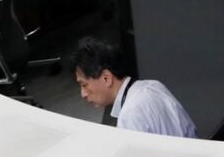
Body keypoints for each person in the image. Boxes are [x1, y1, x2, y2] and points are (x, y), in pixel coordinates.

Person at [68, 36, 198, 138]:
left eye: (84, 85)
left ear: (106, 78)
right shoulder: (153, 85)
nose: (83, 94)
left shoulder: (129, 115)